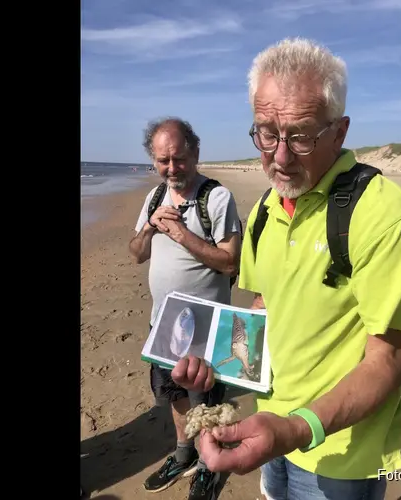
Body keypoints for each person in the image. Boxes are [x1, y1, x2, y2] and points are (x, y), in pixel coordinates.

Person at [170, 38, 401, 500]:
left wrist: (295, 428)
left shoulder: (383, 216)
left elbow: (388, 360)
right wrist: (220, 364)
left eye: (302, 135)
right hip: (270, 427)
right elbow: (265, 306)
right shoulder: (268, 209)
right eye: (267, 133)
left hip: (339, 451)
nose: (281, 156)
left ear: (341, 131)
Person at [129, 117, 242, 500]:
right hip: (162, 325)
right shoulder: (155, 197)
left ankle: (209, 468)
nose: (172, 168)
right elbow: (136, 254)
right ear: (153, 160)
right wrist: (149, 229)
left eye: (179, 158)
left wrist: (179, 232)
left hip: (207, 328)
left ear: (195, 153)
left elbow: (230, 263)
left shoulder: (217, 198)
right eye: (163, 161)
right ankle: (184, 454)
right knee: (174, 394)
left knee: (208, 403)